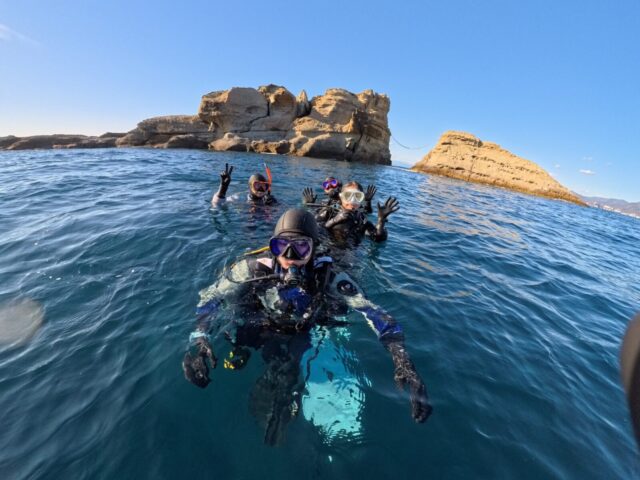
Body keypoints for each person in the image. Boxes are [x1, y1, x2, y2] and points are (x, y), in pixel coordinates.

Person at [183, 209, 432, 441]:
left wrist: (403, 362)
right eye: (282, 246)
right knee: (242, 343)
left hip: (303, 326)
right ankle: (244, 354)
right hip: (257, 318)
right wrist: (199, 338)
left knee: (290, 367)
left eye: (301, 248)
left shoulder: (329, 276)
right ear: (272, 247)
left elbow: (374, 313)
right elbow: (211, 297)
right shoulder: (253, 268)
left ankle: (286, 394)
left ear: (314, 250)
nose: (290, 258)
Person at [319, 181, 398, 242]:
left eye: (357, 196)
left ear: (361, 199)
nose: (352, 201)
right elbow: (316, 230)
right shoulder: (329, 212)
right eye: (348, 195)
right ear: (341, 197)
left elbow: (377, 239)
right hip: (329, 248)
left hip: (352, 257)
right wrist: (334, 220)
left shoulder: (362, 220)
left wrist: (381, 220)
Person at [211, 163, 277, 206]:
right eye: (257, 185)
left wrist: (273, 205)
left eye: (264, 186)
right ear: (250, 186)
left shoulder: (270, 199)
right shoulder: (240, 198)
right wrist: (223, 188)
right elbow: (217, 204)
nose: (261, 189)